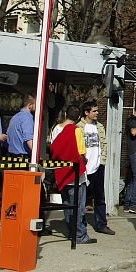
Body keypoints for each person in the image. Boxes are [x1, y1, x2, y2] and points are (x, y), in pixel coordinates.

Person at [50, 103, 95, 244]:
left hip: (61, 173)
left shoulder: (56, 129)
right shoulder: (76, 131)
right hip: (75, 175)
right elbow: (81, 153)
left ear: (65, 115)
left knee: (67, 204)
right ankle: (80, 235)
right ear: (78, 118)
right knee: (78, 206)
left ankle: (70, 232)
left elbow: (53, 149)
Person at [82, 100, 114, 235]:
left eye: (97, 110)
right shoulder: (79, 127)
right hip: (84, 168)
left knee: (100, 197)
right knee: (82, 198)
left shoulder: (99, 126)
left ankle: (101, 224)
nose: (97, 113)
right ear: (86, 113)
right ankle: (79, 225)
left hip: (97, 167)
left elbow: (104, 145)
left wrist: (102, 162)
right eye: (94, 111)